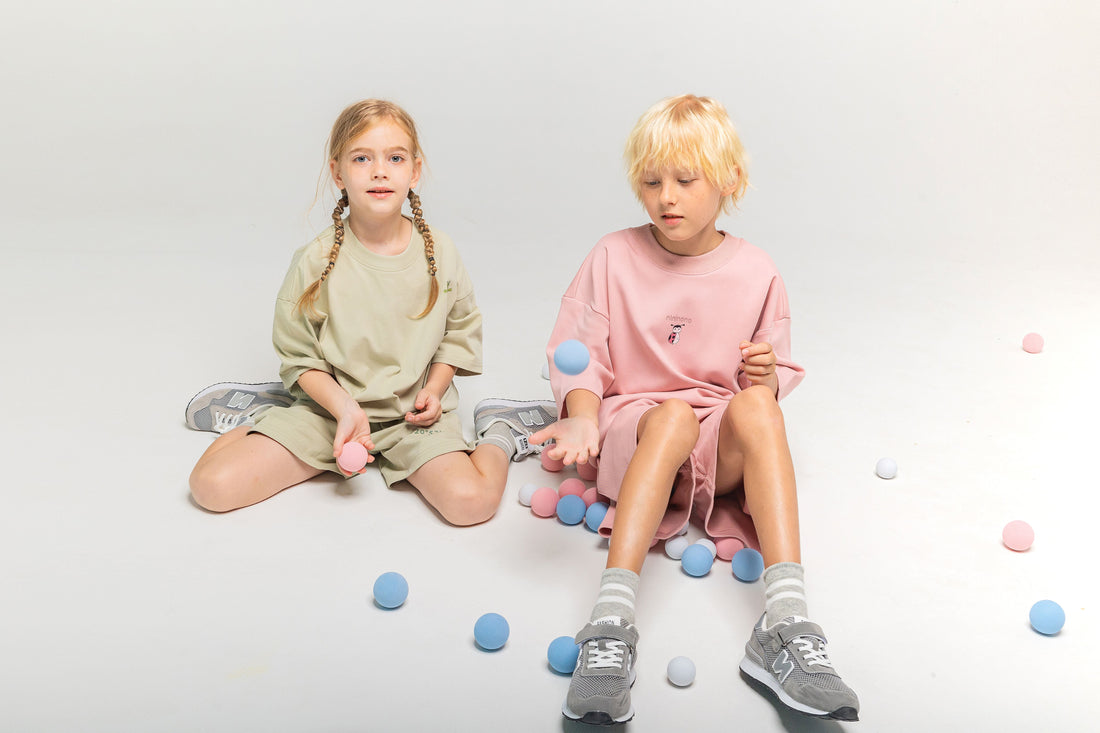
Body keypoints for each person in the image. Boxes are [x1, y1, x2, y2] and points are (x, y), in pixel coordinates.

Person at [529, 94, 859, 723]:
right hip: (636, 425)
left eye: (685, 180)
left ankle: (785, 625)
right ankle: (610, 623)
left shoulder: (758, 270)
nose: (666, 198)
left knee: (759, 410)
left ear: (727, 181)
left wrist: (761, 377)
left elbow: (771, 370)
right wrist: (578, 412)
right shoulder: (612, 255)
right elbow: (579, 350)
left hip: (711, 443)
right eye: (651, 182)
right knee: (673, 417)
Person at [186, 99, 555, 524]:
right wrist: (343, 408)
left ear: (414, 171)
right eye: (362, 158)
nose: (380, 171)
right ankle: (265, 418)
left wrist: (433, 392)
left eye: (395, 158)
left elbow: (459, 331)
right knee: (210, 488)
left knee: (470, 504)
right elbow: (299, 352)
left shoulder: (441, 251)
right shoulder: (315, 261)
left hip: (411, 421)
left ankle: (502, 432)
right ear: (338, 172)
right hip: (329, 414)